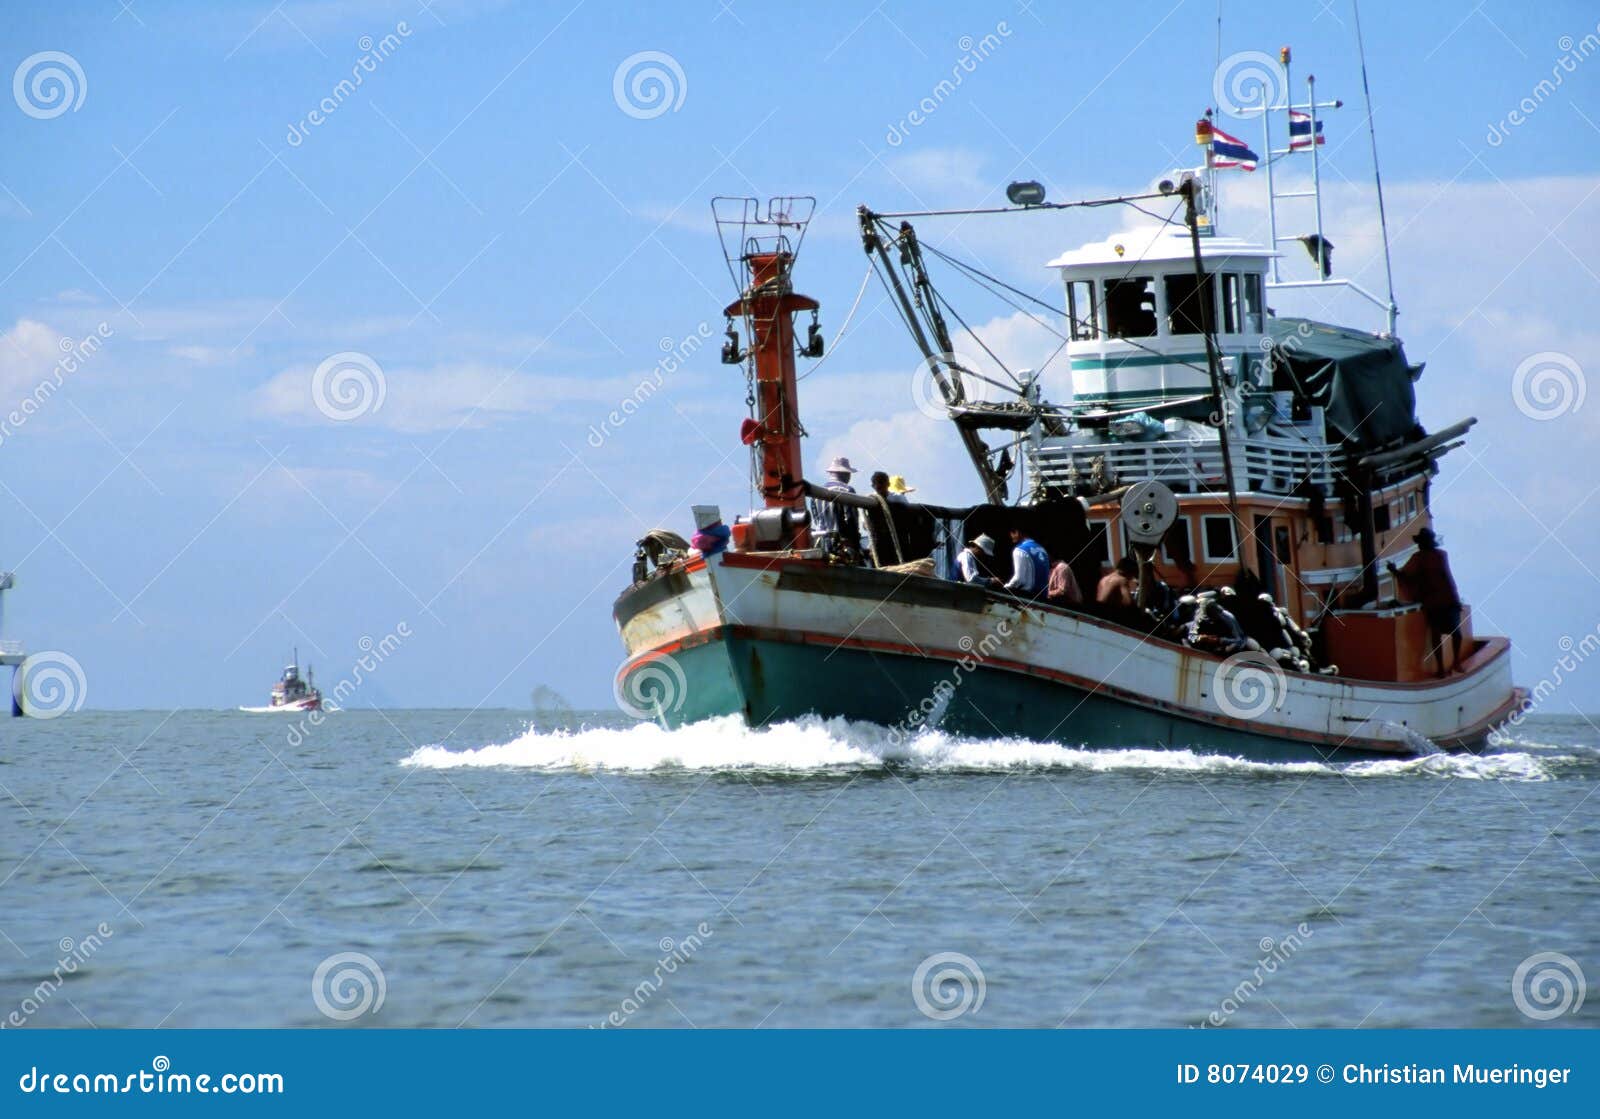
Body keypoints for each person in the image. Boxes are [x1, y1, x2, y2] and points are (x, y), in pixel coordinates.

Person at [1388, 527, 1464, 677]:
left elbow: (1407, 577)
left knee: (1449, 634)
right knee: (1445, 634)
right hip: (1440, 601)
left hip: (1442, 600)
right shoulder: (1429, 556)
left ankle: (1450, 665)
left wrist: (1394, 571)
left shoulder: (1430, 557)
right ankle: (1447, 666)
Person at [811, 456, 859, 551]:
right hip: (843, 543)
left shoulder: (816, 493)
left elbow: (816, 519)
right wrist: (855, 541)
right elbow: (852, 519)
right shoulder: (847, 490)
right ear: (845, 474)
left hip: (823, 542)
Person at [1002, 527, 1050, 597]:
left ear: (1017, 532)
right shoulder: (1043, 550)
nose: (1010, 536)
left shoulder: (1020, 550)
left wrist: (1005, 588)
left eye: (1011, 533)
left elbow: (1019, 579)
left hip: (1028, 596)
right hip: (1043, 597)